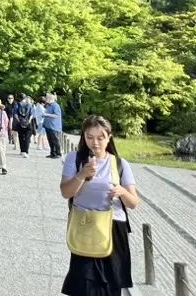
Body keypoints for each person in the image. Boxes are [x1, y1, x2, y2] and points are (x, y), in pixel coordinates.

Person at [59, 115, 139, 296]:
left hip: (113, 229)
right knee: (84, 287)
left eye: (100, 137)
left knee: (110, 288)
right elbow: (66, 193)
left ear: (109, 137)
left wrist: (123, 192)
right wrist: (82, 175)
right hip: (84, 226)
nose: (95, 143)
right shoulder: (75, 159)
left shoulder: (119, 163)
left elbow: (134, 203)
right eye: (90, 137)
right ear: (83, 137)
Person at [43, 93, 64, 158]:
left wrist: (47, 115)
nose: (46, 99)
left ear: (50, 99)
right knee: (50, 140)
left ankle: (58, 153)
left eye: (47, 98)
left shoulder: (55, 106)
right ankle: (52, 153)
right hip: (48, 126)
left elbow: (57, 115)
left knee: (55, 140)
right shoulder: (48, 105)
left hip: (54, 126)